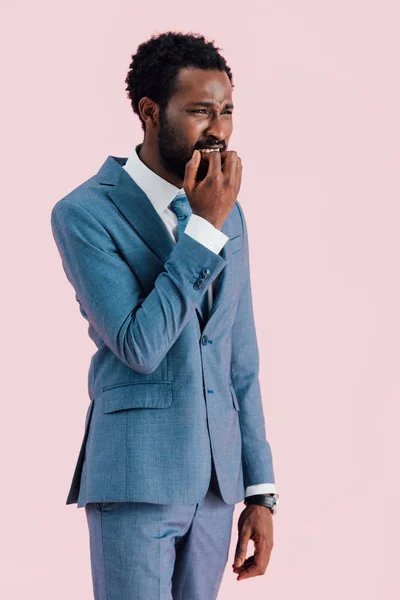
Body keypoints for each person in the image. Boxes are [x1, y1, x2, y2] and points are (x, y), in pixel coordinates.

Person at [50, 30, 279, 600]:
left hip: (216, 486)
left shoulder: (229, 211)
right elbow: (139, 344)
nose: (219, 129)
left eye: (227, 111)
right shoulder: (84, 213)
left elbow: (238, 357)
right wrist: (202, 228)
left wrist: (260, 489)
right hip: (136, 476)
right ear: (150, 112)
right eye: (200, 111)